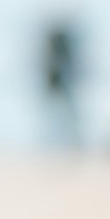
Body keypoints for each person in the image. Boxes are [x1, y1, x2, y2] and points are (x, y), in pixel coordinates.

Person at [39, 18, 83, 148]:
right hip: (57, 84)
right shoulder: (57, 46)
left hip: (57, 84)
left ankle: (62, 141)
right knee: (59, 115)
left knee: (60, 115)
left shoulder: (54, 46)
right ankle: (59, 142)